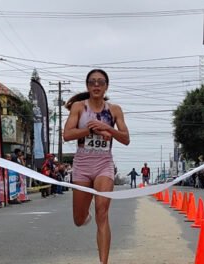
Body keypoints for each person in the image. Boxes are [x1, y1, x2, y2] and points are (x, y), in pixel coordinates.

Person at [64, 69, 130, 264]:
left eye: (100, 82)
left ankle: (103, 262)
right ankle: (84, 213)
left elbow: (126, 139)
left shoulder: (114, 110)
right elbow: (67, 135)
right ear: (87, 86)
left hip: (104, 164)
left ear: (106, 86)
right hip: (82, 164)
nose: (96, 85)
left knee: (103, 212)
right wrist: (90, 129)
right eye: (92, 82)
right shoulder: (79, 107)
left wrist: (108, 128)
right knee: (78, 220)